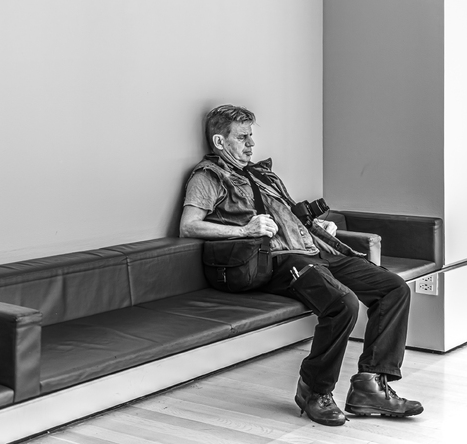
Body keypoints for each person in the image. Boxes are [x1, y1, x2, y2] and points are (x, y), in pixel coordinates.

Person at [180, 104, 423, 427]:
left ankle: (370, 385)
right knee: (343, 303)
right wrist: (244, 230)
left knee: (393, 288)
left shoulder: (262, 175)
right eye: (242, 137)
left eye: (251, 136)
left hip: (313, 250)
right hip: (277, 260)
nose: (251, 144)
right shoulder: (207, 176)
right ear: (219, 142)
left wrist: (318, 229)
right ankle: (314, 390)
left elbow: (291, 217)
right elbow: (188, 226)